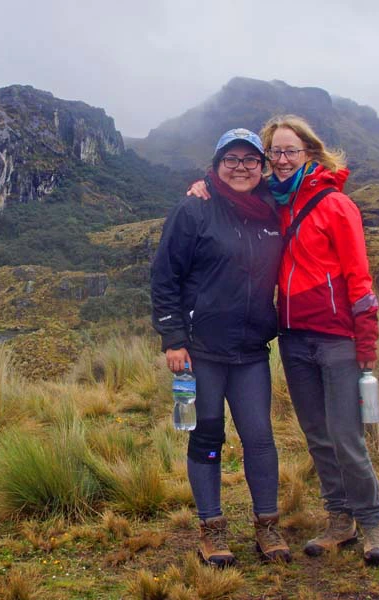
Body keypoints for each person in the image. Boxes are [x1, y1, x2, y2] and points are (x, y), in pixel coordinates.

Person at [187, 115, 379, 565]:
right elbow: (230, 183)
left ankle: (373, 523)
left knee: (345, 434)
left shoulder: (336, 205)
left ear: (309, 154)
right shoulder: (273, 202)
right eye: (274, 153)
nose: (280, 160)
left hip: (336, 336)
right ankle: (341, 522)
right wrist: (201, 185)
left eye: (289, 152)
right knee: (318, 435)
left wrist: (367, 346)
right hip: (293, 338)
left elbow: (359, 279)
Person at [151, 128, 291, 567]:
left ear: (262, 166)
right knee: (208, 437)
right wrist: (173, 339)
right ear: (216, 165)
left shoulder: (273, 207)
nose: (241, 168)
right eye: (231, 159)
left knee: (260, 438)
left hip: (250, 350)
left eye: (251, 160)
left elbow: (311, 175)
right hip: (202, 351)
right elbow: (165, 277)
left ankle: (267, 525)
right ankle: (211, 529)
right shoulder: (195, 208)